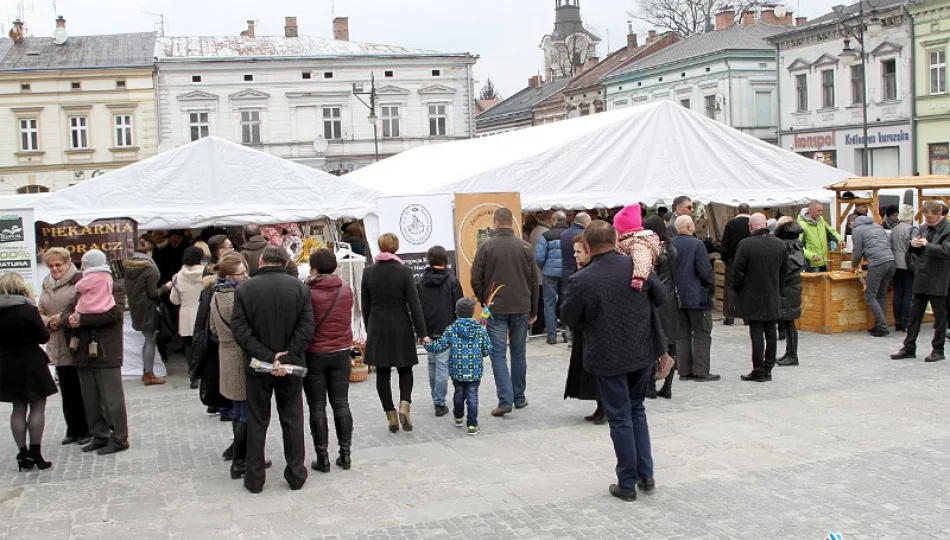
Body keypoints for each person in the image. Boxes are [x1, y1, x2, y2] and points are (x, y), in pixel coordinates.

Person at [561, 221, 670, 502]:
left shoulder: (582, 279)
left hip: (608, 356)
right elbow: (661, 297)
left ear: (587, 246)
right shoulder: (636, 265)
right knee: (637, 411)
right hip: (640, 351)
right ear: (616, 239)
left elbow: (569, 317)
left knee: (620, 417)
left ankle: (627, 482)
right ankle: (646, 475)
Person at [232, 245, 315, 494]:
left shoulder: (245, 289)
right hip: (290, 364)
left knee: (258, 420)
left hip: (258, 366)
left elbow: (240, 329)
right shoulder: (300, 288)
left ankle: (255, 477)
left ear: (261, 261)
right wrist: (286, 356)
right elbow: (307, 326)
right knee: (292, 418)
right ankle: (296, 473)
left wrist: (268, 357)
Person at [471, 207, 540, 417]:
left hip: (496, 307)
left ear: (496, 223)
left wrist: (485, 299)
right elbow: (534, 281)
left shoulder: (486, 247)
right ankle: (519, 397)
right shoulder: (526, 247)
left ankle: (505, 399)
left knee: (498, 355)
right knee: (519, 352)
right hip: (521, 306)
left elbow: (476, 278)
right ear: (512, 222)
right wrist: (534, 308)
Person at [362, 233, 427, 432]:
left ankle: (390, 414)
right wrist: (421, 332)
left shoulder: (368, 271)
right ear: (396, 248)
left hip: (377, 324)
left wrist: (369, 327)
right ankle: (404, 405)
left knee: (382, 371)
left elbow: (365, 304)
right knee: (405, 368)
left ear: (380, 248)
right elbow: (414, 304)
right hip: (400, 322)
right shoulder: (404, 271)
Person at [64, 268, 130, 455]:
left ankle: (119, 438)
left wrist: (81, 319)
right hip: (83, 352)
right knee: (90, 398)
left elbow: (114, 314)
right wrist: (69, 319)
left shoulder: (114, 288)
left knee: (112, 399)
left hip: (106, 352)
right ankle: (99, 435)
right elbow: (67, 312)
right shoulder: (81, 289)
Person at [304, 249, 355, 472]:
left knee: (317, 406)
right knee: (341, 402)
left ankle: (322, 457)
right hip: (342, 351)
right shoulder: (346, 291)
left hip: (315, 353)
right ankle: (345, 454)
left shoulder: (307, 293)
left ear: (314, 268)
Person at [0, 273, 58, 471]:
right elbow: (43, 337)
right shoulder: (28, 309)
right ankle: (36, 453)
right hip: (31, 363)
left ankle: (22, 453)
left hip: (7, 363)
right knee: (37, 408)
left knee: (18, 409)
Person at [207, 253, 255, 479]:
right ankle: (241, 460)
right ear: (228, 275)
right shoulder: (238, 297)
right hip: (240, 355)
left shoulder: (215, 294)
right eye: (241, 273)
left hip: (225, 354)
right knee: (245, 410)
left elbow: (213, 329)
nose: (245, 275)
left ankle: (238, 452)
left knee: (236, 408)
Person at [38, 248, 90, 446]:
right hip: (56, 340)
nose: (54, 269)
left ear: (68, 263)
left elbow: (82, 306)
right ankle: (72, 428)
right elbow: (40, 308)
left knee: (80, 387)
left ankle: (86, 428)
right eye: (51, 265)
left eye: (58, 264)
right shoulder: (46, 283)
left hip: (74, 339)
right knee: (67, 389)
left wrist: (62, 319)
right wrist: (47, 321)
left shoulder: (78, 281)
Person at [892, 201, 950, 363]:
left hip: (938, 278)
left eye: (930, 217)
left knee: (939, 318)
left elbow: (947, 251)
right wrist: (914, 245)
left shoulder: (948, 229)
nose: (927, 220)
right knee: (914, 316)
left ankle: (938, 350)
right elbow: (917, 251)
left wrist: (927, 245)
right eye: (925, 216)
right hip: (921, 277)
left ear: (939, 214)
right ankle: (909, 347)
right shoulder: (923, 227)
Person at [424, 298, 492, 435]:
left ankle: (458, 417)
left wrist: (427, 344)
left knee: (459, 393)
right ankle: (472, 424)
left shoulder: (451, 329)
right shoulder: (480, 329)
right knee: (472, 395)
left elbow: (440, 346)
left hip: (457, 369)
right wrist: (482, 352)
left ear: (456, 313)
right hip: (474, 369)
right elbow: (487, 349)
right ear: (473, 313)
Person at [733, 213, 787, 382]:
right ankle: (768, 368)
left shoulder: (745, 244)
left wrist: (737, 289)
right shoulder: (779, 244)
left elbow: (737, 271)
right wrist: (779, 288)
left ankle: (758, 369)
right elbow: (784, 271)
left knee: (756, 333)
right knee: (771, 331)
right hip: (772, 293)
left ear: (751, 226)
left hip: (752, 295)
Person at [670, 216, 719, 382]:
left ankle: (684, 370)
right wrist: (710, 288)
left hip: (677, 296)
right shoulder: (697, 244)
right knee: (702, 333)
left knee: (682, 334)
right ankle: (701, 370)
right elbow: (705, 271)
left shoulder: (670, 244)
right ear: (690, 226)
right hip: (696, 296)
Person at [416, 245, 463, 417]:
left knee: (432, 364)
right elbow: (459, 307)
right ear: (445, 260)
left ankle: (435, 397)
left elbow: (417, 307)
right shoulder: (452, 281)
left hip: (428, 330)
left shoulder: (421, 282)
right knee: (442, 365)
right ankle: (440, 402)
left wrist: (421, 331)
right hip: (447, 329)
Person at [563, 235, 602, 422]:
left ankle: (603, 406)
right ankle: (600, 405)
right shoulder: (581, 271)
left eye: (579, 251)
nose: (575, 255)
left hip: (591, 329)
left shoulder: (588, 274)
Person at [643, 216, 682, 399]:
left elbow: (651, 277)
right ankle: (668, 385)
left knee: (653, 342)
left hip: (657, 300)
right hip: (672, 300)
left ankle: (650, 385)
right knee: (671, 342)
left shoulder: (654, 250)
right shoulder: (672, 248)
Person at [123, 235, 167, 386]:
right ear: (149, 251)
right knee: (150, 340)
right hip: (148, 308)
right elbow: (153, 293)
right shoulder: (150, 270)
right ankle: (149, 374)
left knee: (147, 339)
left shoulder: (129, 267)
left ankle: (146, 371)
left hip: (136, 307)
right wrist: (166, 287)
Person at [851, 215, 896, 337]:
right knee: (881, 294)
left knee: (869, 296)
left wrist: (853, 265)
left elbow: (857, 252)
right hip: (891, 261)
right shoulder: (878, 226)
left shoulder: (857, 230)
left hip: (877, 263)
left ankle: (882, 326)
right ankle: (880, 325)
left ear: (854, 222)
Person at [70, 250, 116, 357]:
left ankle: (75, 339)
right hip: (105, 306)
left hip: (87, 307)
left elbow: (80, 287)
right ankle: (93, 345)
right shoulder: (107, 275)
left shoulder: (91, 276)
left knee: (76, 320)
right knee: (94, 328)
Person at [775, 217, 806, 366]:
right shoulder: (795, 245)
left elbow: (788, 267)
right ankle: (789, 353)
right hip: (791, 286)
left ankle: (792, 355)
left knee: (789, 322)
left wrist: (779, 277)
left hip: (789, 287)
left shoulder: (789, 246)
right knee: (788, 322)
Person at [536, 211, 570, 344]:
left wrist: (544, 267)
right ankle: (567, 333)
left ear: (554, 220)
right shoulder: (571, 235)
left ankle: (551, 336)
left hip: (549, 274)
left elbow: (539, 257)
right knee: (565, 302)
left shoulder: (546, 236)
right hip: (567, 273)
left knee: (549, 304)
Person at [170, 247, 206, 363]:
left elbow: (174, 300)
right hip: (204, 313)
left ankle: (192, 370)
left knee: (189, 345)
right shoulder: (208, 275)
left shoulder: (177, 276)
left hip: (186, 315)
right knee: (204, 346)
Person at [614, 204, 661, 291]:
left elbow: (642, 258)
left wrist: (638, 278)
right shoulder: (631, 241)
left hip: (638, 280)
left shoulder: (636, 243)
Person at [720, 204, 751, 326]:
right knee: (747, 287)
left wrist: (725, 259)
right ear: (749, 210)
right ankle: (746, 316)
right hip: (748, 261)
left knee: (730, 287)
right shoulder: (752, 223)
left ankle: (729, 316)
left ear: (738, 211)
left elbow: (724, 244)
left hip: (732, 260)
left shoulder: (731, 224)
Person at [890, 205, 917, 332]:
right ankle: (906, 322)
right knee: (908, 294)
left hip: (896, 264)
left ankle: (898, 322)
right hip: (908, 264)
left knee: (898, 293)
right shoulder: (912, 230)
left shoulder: (894, 229)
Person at [528, 210, 553, 335]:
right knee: (544, 301)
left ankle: (538, 324)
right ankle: (541, 324)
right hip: (543, 271)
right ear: (550, 219)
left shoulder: (534, 231)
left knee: (539, 299)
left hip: (536, 270)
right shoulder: (545, 232)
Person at [798, 201, 841, 273]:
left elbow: (831, 231)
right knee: (814, 284)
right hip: (811, 263)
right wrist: (811, 256)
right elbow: (797, 245)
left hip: (823, 261)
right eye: (818, 210)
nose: (821, 213)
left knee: (825, 283)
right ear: (810, 209)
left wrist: (840, 240)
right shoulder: (801, 224)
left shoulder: (821, 219)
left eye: (821, 210)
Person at [561, 212, 592, 281]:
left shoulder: (564, 234)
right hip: (580, 270)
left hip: (565, 270)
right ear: (586, 222)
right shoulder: (584, 235)